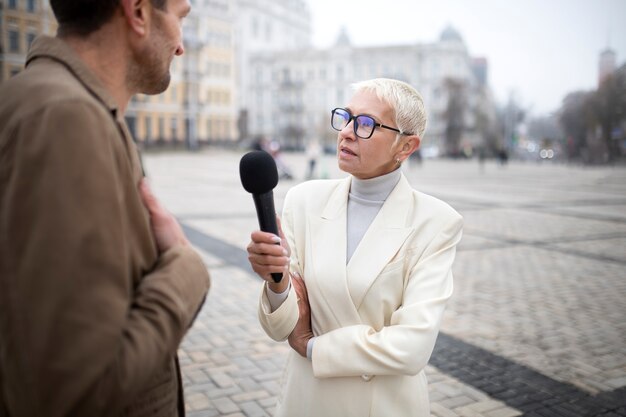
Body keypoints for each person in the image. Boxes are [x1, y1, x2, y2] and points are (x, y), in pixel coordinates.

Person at [0, 0, 210, 416]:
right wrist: (185, 270)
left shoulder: (55, 103)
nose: (181, 46)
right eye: (179, 18)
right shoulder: (67, 118)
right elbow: (72, 392)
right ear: (137, 12)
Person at [247, 78, 463, 417]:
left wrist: (315, 347)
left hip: (384, 406)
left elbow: (412, 347)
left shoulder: (436, 223)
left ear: (405, 147)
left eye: (366, 124)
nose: (346, 131)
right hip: (307, 402)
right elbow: (279, 329)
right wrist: (278, 281)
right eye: (345, 117)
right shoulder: (304, 201)